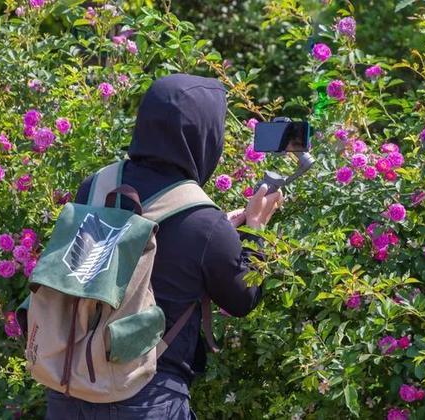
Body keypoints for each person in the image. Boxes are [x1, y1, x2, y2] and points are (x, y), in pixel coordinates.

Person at [45, 73, 283, 419]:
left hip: (71, 381)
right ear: (205, 135)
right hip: (146, 396)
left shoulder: (97, 186)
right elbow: (242, 298)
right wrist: (256, 229)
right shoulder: (205, 222)